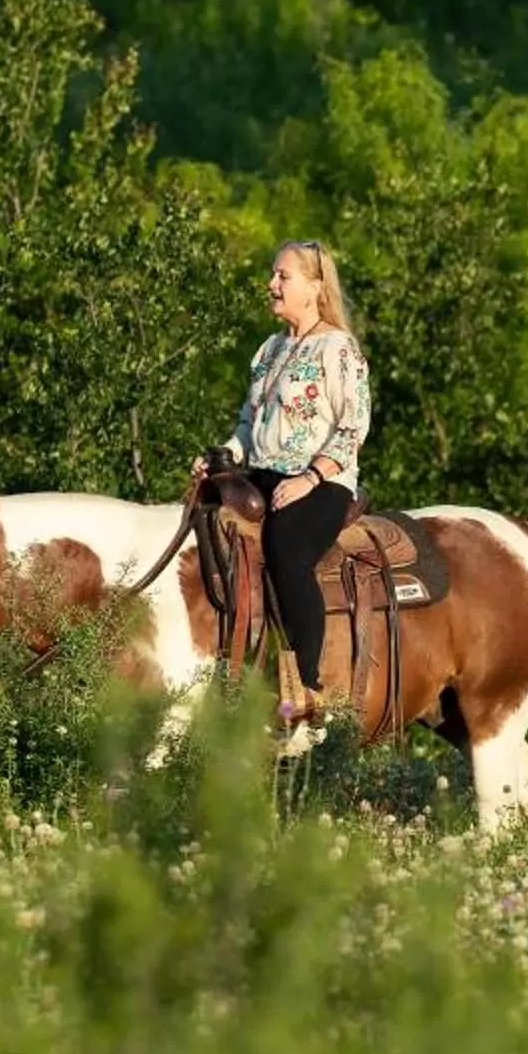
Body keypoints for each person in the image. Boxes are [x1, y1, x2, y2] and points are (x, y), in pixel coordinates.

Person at [197, 239, 373, 719]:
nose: (271, 284)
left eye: (283, 276)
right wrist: (221, 457)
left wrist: (311, 477)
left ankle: (306, 684)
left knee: (287, 549)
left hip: (323, 482)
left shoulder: (338, 348)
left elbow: (353, 428)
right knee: (206, 525)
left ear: (315, 287)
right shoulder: (270, 349)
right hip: (263, 473)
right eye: (273, 275)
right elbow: (247, 425)